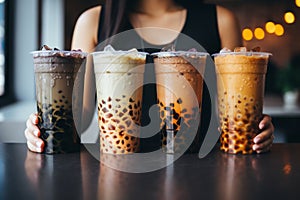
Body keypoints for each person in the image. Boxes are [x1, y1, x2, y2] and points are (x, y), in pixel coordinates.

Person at [25, 0, 274, 153]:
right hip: (118, 168)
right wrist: (44, 128)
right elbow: (82, 115)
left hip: (201, 168)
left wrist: (255, 128)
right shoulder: (92, 21)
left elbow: (230, 110)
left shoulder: (221, 20)